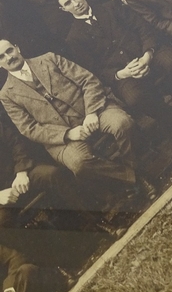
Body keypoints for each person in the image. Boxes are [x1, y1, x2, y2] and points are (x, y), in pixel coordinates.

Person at [0, 39, 140, 204]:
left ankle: (133, 177)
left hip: (93, 111)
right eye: (2, 57)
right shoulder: (6, 95)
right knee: (79, 164)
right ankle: (135, 178)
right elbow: (29, 129)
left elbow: (88, 80)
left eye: (9, 51)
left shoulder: (49, 59)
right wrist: (68, 134)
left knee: (122, 124)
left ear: (17, 48)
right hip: (61, 139)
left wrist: (91, 113)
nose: (9, 57)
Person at [0, 114, 87, 250]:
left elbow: (15, 143)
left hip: (20, 176)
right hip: (2, 201)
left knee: (53, 175)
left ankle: (93, 223)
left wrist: (21, 172)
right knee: (2, 222)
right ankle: (51, 261)